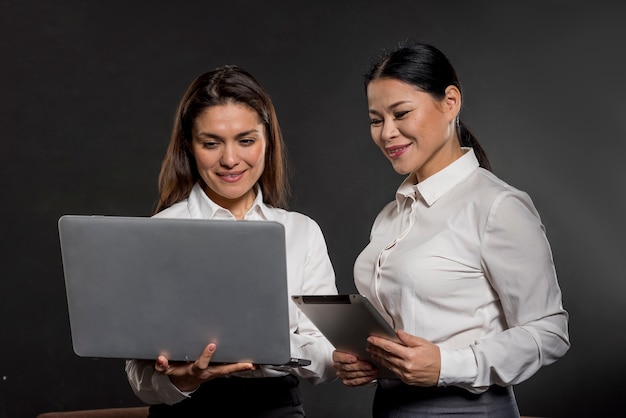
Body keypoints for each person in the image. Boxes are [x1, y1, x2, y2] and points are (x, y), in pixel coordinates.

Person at [332, 41, 570, 417]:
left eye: (401, 113)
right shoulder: (390, 216)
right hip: (389, 407)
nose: (387, 133)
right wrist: (367, 360)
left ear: (450, 102)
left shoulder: (497, 206)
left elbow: (549, 331)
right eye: (376, 120)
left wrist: (448, 365)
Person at [125, 65, 338, 417]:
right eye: (211, 143)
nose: (230, 159)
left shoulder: (301, 232)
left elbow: (329, 361)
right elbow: (138, 375)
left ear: (267, 141)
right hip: (188, 410)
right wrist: (186, 380)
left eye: (246, 140)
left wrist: (273, 346)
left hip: (276, 408)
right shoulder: (156, 233)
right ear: (189, 146)